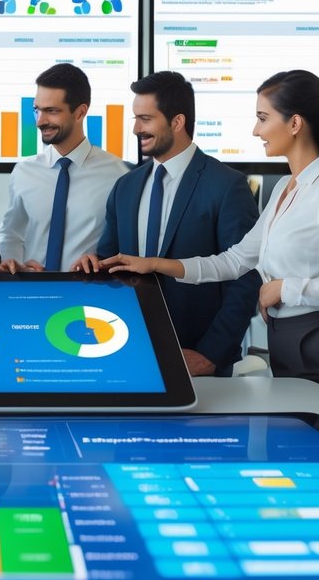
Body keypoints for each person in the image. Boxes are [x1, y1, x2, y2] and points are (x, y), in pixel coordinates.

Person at [102, 70, 319, 395]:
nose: (256, 130)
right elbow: (235, 260)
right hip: (284, 340)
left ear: (294, 124)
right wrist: (157, 265)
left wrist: (282, 289)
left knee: (315, 446)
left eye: (263, 118)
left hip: (313, 343)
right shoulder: (286, 186)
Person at [74, 71, 260, 377]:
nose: (136, 128)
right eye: (135, 118)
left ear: (177, 122)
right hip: (128, 354)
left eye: (145, 119)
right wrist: (92, 265)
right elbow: (111, 263)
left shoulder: (228, 186)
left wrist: (210, 355)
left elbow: (246, 278)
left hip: (196, 361)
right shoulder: (126, 186)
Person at [0, 64, 129, 272]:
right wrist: (13, 268)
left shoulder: (117, 174)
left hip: (87, 292)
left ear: (80, 112)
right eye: (36, 110)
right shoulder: (24, 172)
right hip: (31, 293)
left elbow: (126, 245)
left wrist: (100, 261)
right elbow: (11, 234)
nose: (40, 121)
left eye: (52, 111)